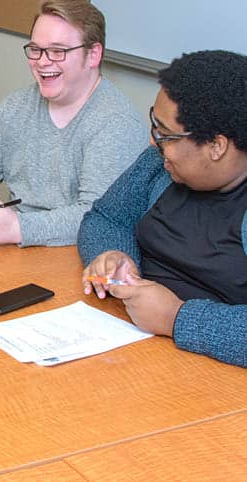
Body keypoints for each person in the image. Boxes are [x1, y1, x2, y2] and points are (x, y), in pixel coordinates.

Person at [79, 50, 246, 368]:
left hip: (212, 375)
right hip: (126, 343)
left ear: (216, 146)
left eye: (165, 134)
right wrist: (116, 254)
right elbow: (105, 217)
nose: (154, 143)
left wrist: (176, 318)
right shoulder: (160, 165)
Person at [0, 0, 147, 247]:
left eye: (58, 51)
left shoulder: (116, 123)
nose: (42, 62)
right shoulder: (17, 105)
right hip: (15, 249)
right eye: (36, 49)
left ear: (93, 54)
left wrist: (19, 228)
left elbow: (99, 217)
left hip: (77, 257)